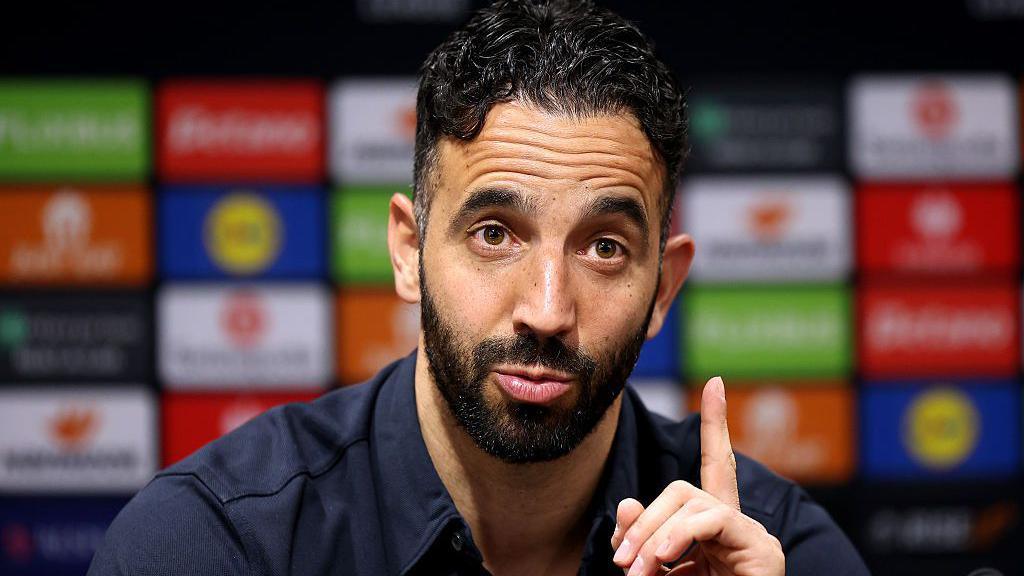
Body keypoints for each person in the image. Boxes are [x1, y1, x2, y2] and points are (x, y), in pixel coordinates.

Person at [89, 1, 869, 574]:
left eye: (604, 247)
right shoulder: (213, 544)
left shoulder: (774, 553)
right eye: (495, 234)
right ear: (408, 251)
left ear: (662, 288)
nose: (547, 311)